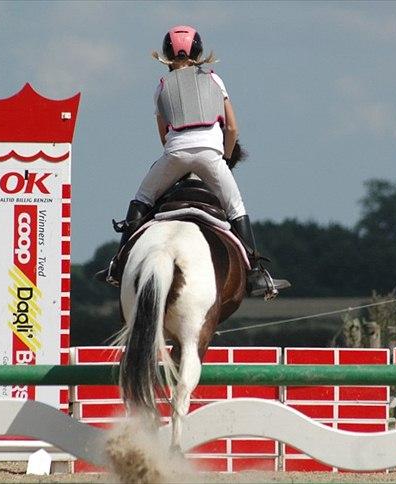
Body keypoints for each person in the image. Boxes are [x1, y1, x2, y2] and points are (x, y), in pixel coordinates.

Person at [102, 25, 289, 297]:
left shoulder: (161, 87)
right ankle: (257, 275)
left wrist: (179, 154)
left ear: (167, 53)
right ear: (198, 51)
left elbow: (164, 136)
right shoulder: (215, 79)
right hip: (211, 155)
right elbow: (233, 129)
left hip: (175, 154)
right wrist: (223, 158)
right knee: (235, 207)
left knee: (142, 197)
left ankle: (117, 265)